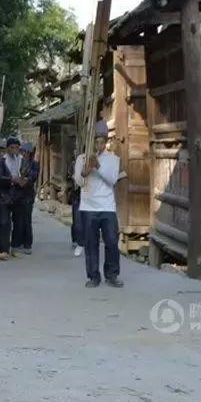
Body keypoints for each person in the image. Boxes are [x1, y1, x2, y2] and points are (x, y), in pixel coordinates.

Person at [74, 120, 127, 288]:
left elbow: (112, 180)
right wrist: (87, 169)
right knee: (91, 244)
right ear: (91, 142)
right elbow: (79, 182)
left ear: (106, 142)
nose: (99, 145)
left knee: (111, 241)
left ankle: (112, 275)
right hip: (88, 206)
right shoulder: (81, 158)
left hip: (107, 207)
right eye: (95, 141)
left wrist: (98, 166)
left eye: (101, 141)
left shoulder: (113, 159)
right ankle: (93, 276)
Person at [0, 137, 28, 261]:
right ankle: (3, 251)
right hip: (4, 197)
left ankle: (15, 247)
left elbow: (29, 174)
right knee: (4, 223)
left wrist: (25, 181)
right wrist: (11, 179)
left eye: (17, 148)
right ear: (7, 148)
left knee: (18, 223)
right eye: (11, 147)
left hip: (18, 197)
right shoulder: (1, 161)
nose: (14, 150)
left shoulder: (23, 161)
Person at [17, 142, 40, 255]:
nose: (24, 154)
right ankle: (19, 241)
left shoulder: (34, 164)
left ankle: (28, 243)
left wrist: (26, 179)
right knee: (18, 219)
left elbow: (33, 176)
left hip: (28, 194)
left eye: (25, 152)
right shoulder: (17, 162)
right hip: (17, 194)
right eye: (22, 152)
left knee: (26, 219)